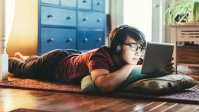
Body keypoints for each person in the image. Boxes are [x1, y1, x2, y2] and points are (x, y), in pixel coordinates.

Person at [9, 25, 174, 93]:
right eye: (133, 46)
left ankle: (25, 57)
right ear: (117, 46)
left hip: (72, 56)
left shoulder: (132, 56)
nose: (138, 51)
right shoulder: (100, 55)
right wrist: (130, 66)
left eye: (140, 47)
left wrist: (162, 68)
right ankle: (7, 58)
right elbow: (105, 85)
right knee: (23, 70)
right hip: (54, 64)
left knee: (32, 60)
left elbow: (145, 70)